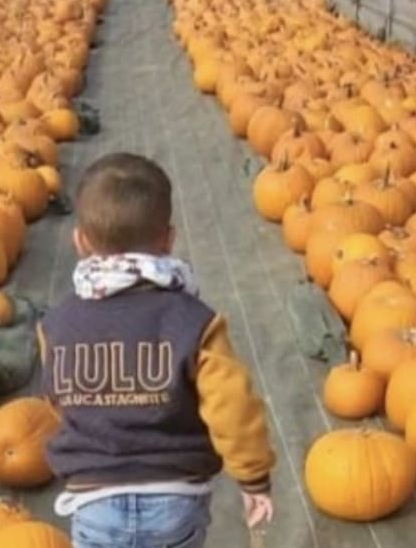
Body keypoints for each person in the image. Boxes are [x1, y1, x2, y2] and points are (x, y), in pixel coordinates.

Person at [37, 152, 276, 548]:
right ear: (168, 239)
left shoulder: (57, 325)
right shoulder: (194, 321)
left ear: (80, 241)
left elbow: (58, 399)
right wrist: (253, 478)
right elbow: (232, 405)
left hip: (94, 499)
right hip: (175, 501)